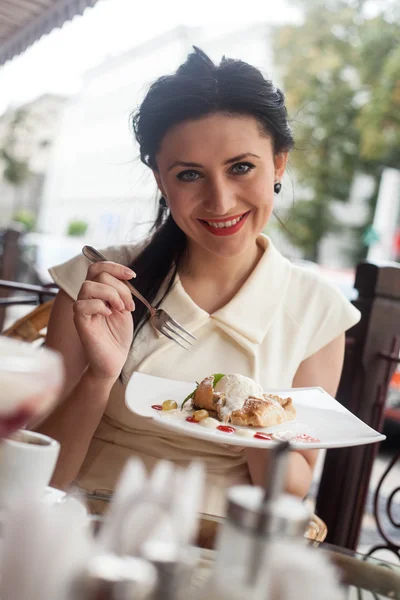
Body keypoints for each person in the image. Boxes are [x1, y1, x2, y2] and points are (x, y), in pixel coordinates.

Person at [37, 47, 360, 515]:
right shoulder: (100, 285)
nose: (221, 200)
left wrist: (247, 412)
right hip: (82, 521)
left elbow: (290, 488)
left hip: (218, 543)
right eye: (189, 174)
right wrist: (100, 378)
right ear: (161, 182)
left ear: (280, 164)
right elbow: (40, 472)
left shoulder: (316, 310)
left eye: (241, 167)